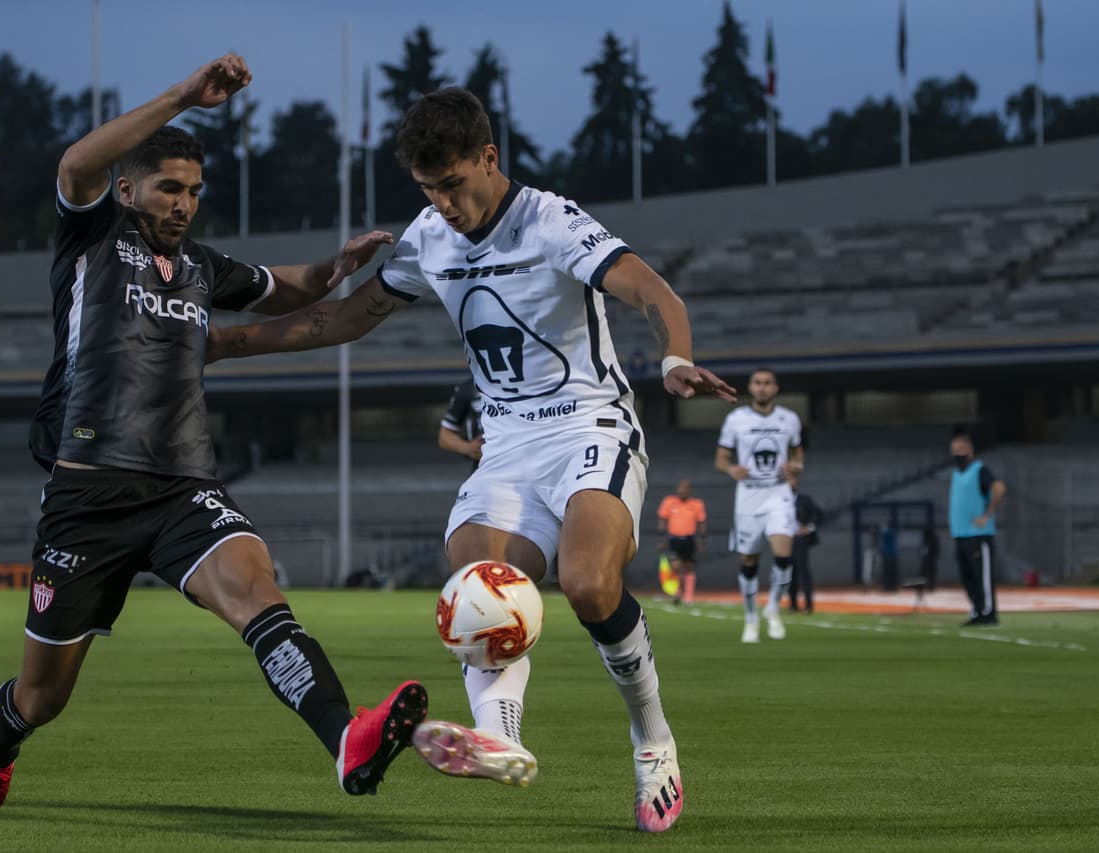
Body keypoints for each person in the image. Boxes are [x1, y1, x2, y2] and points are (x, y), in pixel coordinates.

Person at [208, 87, 737, 832]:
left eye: (453, 184)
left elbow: (652, 290)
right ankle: (503, 739)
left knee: (588, 583)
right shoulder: (430, 238)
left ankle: (652, 736)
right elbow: (342, 317)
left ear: (489, 158)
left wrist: (677, 356)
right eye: (430, 190)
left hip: (590, 423)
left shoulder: (550, 221)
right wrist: (226, 343)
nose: (445, 204)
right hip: (508, 445)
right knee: (474, 588)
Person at [0, 54, 428, 808]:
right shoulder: (89, 237)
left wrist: (337, 266)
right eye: (169, 188)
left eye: (195, 192)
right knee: (45, 696)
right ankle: (2, 730)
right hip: (87, 495)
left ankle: (348, 738)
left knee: (258, 592)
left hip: (184, 486)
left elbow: (295, 293)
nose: (184, 204)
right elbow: (75, 162)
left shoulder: (205, 268)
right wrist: (183, 96)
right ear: (128, 188)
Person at [714, 368, 803, 644]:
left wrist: (795, 468)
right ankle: (751, 617)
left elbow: (798, 455)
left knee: (783, 555)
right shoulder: (736, 420)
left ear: (775, 388)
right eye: (757, 383)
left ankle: (773, 607)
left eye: (767, 383)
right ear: (751, 388)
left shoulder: (789, 419)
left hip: (779, 493)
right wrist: (731, 470)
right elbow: (720, 460)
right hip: (749, 495)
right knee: (749, 559)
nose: (762, 388)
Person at [949, 427, 1006, 626]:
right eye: (955, 450)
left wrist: (987, 514)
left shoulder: (980, 470)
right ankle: (976, 610)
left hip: (978, 534)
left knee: (982, 576)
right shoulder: (956, 474)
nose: (958, 454)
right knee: (967, 577)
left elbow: (999, 488)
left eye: (961, 449)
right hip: (960, 534)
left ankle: (988, 613)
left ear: (970, 450)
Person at [656, 479, 707, 606]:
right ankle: (677, 592)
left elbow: (701, 523)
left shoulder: (696, 504)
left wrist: (702, 539)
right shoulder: (669, 502)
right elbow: (662, 520)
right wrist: (661, 538)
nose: (682, 491)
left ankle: (688, 596)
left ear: (690, 491)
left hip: (689, 539)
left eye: (685, 488)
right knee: (675, 566)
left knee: (689, 567)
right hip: (674, 539)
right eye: (680, 488)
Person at [788, 482, 822, 613]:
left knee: (803, 572)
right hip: (786, 540)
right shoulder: (780, 502)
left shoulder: (804, 500)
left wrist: (809, 528)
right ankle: (793, 605)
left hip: (800, 540)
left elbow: (819, 515)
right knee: (790, 573)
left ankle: (808, 605)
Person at [437, 377, 484, 468]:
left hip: (516, 461)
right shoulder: (469, 387)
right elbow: (444, 436)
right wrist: (468, 448)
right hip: (483, 467)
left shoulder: (519, 386)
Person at [920, 524, 940, 592]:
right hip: (928, 559)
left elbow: (935, 549)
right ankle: (926, 586)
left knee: (931, 573)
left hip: (931, 559)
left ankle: (931, 586)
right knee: (926, 573)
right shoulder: (926, 538)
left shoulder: (932, 538)